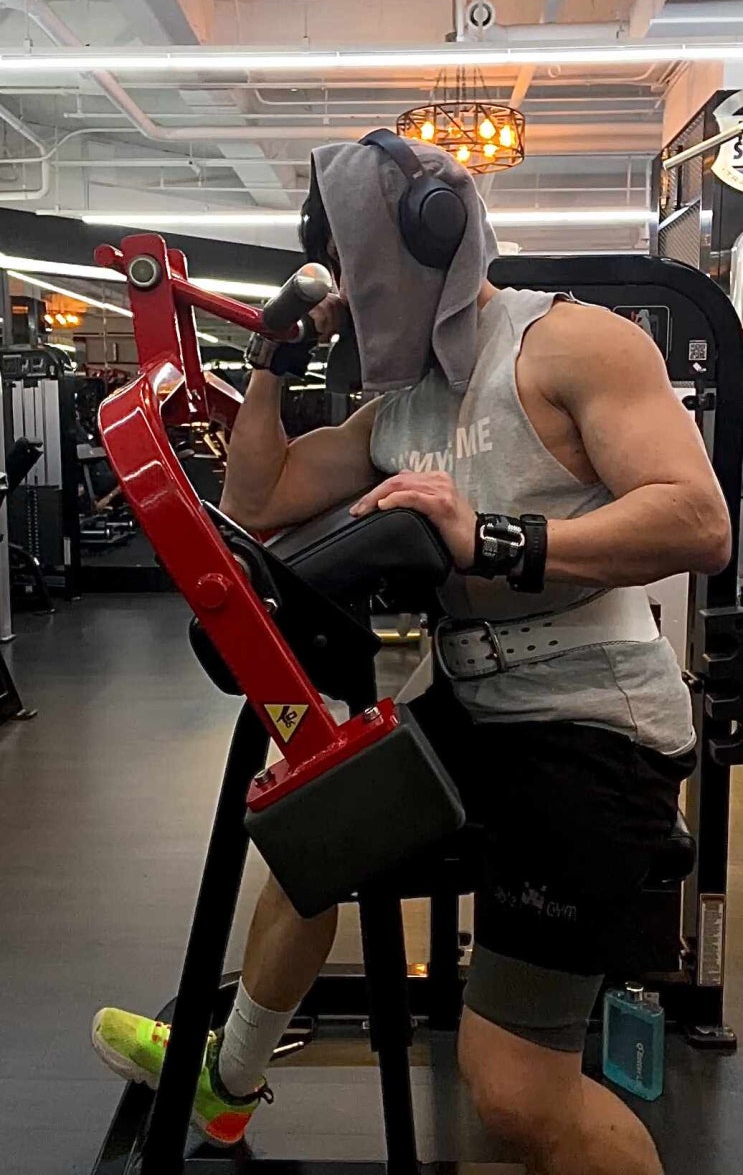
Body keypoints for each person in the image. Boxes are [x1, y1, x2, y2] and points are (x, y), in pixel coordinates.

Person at [92, 138, 731, 1173]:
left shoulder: (570, 346)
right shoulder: (396, 409)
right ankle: (229, 1079)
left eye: (356, 266)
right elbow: (255, 498)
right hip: (473, 708)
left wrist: (493, 538)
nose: (348, 293)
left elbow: (697, 522)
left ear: (429, 238)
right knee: (316, 830)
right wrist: (274, 361)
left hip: (591, 728)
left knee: (514, 1095)